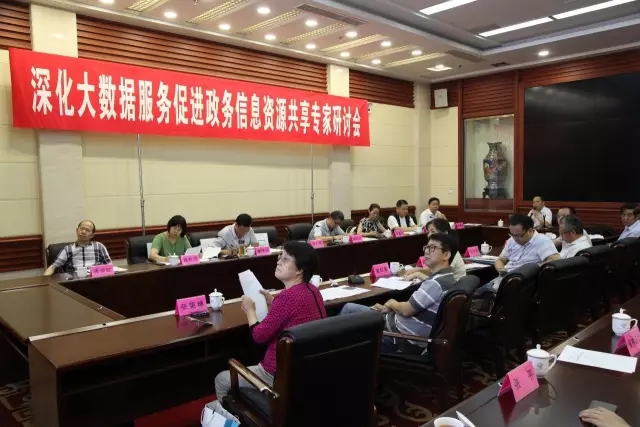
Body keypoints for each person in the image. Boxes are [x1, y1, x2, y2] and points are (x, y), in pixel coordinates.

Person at [214, 241, 326, 401]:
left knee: (221, 379)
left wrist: (250, 311)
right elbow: (295, 315)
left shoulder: (288, 297)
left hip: (277, 373)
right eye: (280, 256)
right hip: (305, 368)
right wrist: (274, 302)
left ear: (300, 270)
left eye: (286, 259)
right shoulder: (312, 290)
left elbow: (258, 337)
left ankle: (230, 415)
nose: (278, 261)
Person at [339, 233, 458, 354]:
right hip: (397, 325)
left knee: (348, 311)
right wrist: (392, 309)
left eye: (432, 248)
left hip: (398, 338)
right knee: (351, 309)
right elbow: (412, 307)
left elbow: (406, 310)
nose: (426, 251)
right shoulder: (448, 278)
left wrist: (391, 303)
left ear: (446, 255)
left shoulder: (435, 284)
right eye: (426, 247)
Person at [484, 213, 560, 291]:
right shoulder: (511, 240)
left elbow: (556, 260)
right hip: (503, 279)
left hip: (522, 283)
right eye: (512, 234)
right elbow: (501, 260)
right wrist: (501, 270)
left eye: (518, 235)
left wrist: (532, 269)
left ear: (530, 231)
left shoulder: (542, 241)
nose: (515, 239)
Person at [44, 220, 111, 275]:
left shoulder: (99, 247)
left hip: (95, 280)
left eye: (87, 230)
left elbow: (109, 266)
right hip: (75, 281)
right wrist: (44, 282)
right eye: (81, 229)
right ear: (77, 230)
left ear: (92, 235)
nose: (83, 232)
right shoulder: (68, 249)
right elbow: (53, 267)